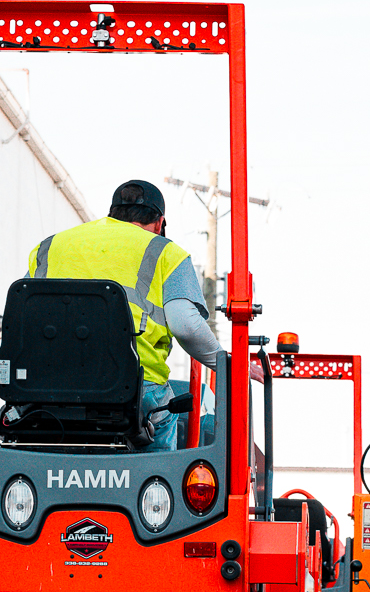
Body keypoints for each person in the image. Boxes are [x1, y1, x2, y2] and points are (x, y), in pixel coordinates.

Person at [24, 179, 224, 451]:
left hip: (45, 386)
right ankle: (156, 480)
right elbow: (186, 325)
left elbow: (23, 313)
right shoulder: (166, 252)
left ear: (113, 213)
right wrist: (227, 365)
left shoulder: (50, 246)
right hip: (133, 389)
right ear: (159, 223)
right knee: (164, 426)